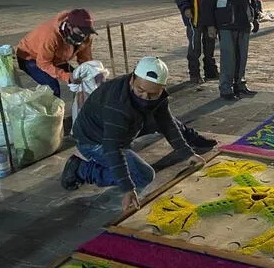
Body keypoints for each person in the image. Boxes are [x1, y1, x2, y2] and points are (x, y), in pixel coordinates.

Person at [62, 57, 216, 211]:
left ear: (162, 88)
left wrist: (187, 154)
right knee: (143, 176)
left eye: (152, 94)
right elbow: (112, 148)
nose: (145, 97)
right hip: (93, 140)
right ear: (132, 79)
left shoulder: (157, 97)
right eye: (140, 91)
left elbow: (167, 123)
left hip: (121, 131)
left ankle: (105, 161)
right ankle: (82, 169)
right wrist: (128, 189)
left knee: (159, 121)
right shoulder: (118, 104)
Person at [200, 0, 260, 101]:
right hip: (226, 18)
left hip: (243, 16)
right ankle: (226, 88)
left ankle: (240, 84)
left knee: (242, 55)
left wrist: (254, 15)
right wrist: (210, 24)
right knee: (229, 56)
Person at [16, 9, 96, 98]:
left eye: (87, 32)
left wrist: (91, 73)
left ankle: (81, 109)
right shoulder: (50, 35)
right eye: (80, 31)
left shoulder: (86, 37)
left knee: (83, 82)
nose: (83, 35)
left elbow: (85, 59)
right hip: (30, 57)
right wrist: (67, 77)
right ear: (69, 26)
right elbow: (43, 63)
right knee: (52, 88)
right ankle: (50, 111)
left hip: (56, 58)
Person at [172, 0, 219, 84]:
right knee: (195, 44)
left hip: (209, 10)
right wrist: (184, 6)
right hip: (193, 12)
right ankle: (194, 73)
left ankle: (210, 70)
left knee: (210, 42)